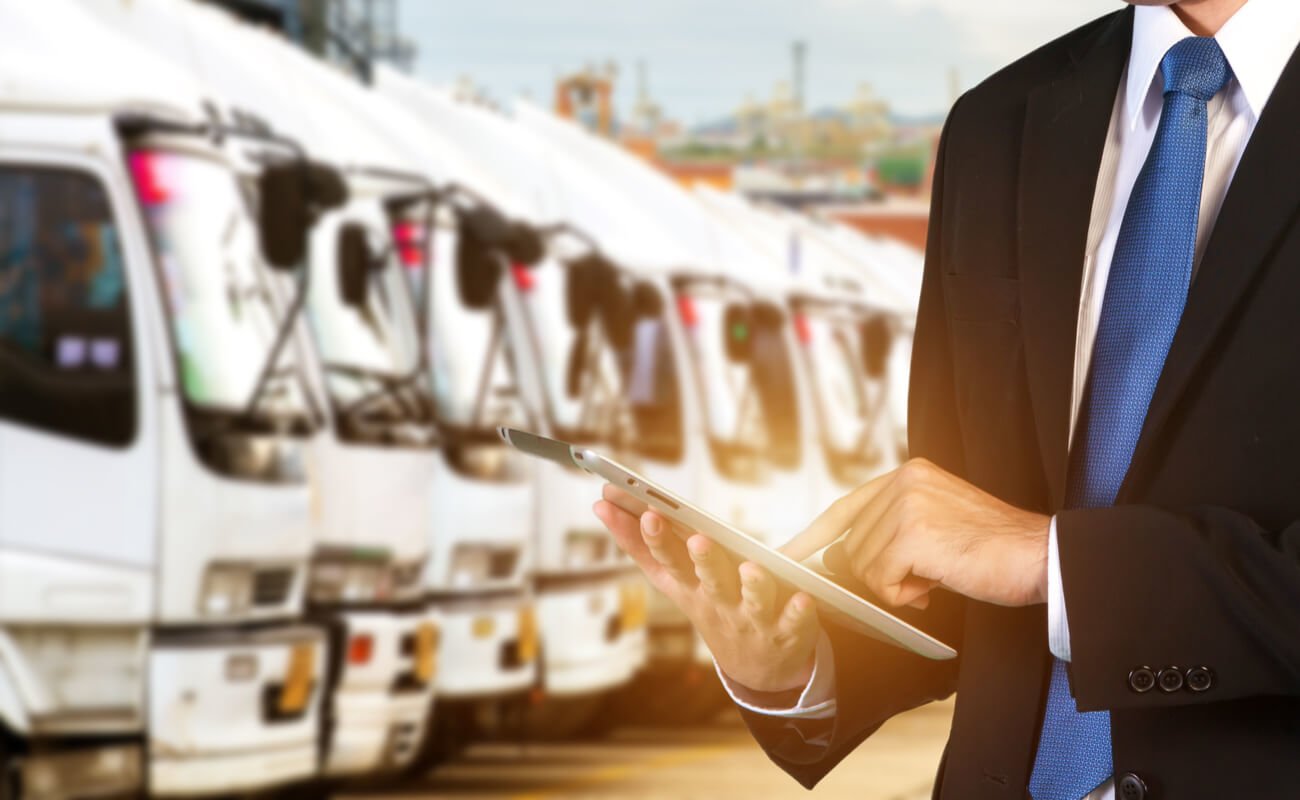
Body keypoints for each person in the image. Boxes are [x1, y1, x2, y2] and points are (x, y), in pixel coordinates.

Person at [593, 0, 1300, 797]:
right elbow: (960, 549)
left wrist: (1053, 561)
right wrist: (795, 663)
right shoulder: (997, 125)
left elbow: (1018, 555)